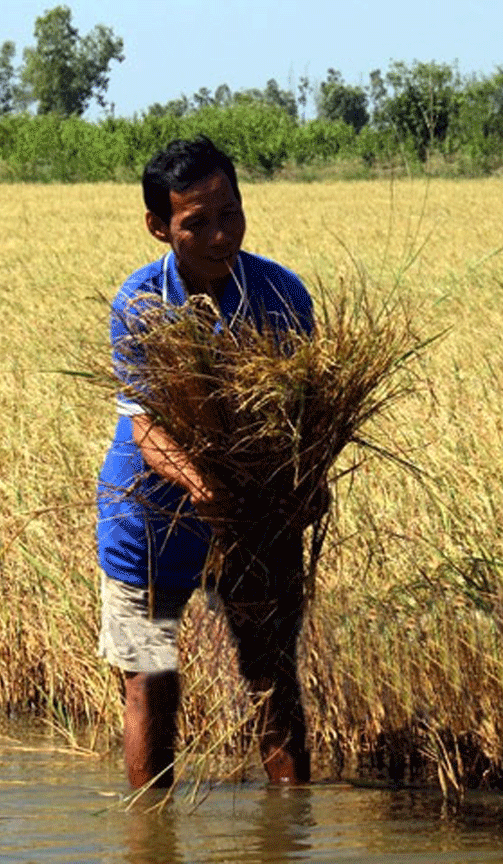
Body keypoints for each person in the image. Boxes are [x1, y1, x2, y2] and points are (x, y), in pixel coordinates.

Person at [97, 135, 315, 788]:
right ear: (159, 226)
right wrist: (199, 483)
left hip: (253, 516)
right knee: (149, 680)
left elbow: (302, 417)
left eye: (231, 214)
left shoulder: (282, 297)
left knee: (271, 675)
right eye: (198, 224)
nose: (222, 237)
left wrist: (308, 484)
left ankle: (289, 837)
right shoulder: (141, 306)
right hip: (150, 519)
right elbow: (146, 428)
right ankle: (151, 844)